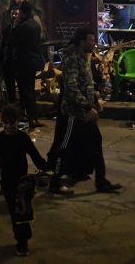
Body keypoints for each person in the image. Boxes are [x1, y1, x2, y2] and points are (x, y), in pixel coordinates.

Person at [46, 27, 121, 195]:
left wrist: (94, 98)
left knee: (95, 142)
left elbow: (85, 82)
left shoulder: (83, 57)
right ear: (81, 41)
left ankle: (101, 181)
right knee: (64, 146)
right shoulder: (72, 58)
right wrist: (88, 107)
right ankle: (55, 182)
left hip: (84, 111)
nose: (94, 43)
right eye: (91, 40)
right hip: (73, 112)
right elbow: (72, 88)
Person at [0, 104, 48, 257]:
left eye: (12, 123)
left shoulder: (22, 138)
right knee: (15, 213)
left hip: (22, 181)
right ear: (2, 122)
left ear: (17, 121)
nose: (9, 126)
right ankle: (22, 240)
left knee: (22, 209)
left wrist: (47, 169)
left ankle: (23, 238)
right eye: (6, 123)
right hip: (6, 181)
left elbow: (35, 156)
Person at [13, 1, 44, 127]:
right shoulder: (36, 24)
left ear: (23, 12)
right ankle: (32, 116)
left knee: (25, 90)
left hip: (23, 62)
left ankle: (31, 118)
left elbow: (13, 41)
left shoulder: (23, 26)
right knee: (29, 89)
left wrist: (15, 26)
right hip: (33, 61)